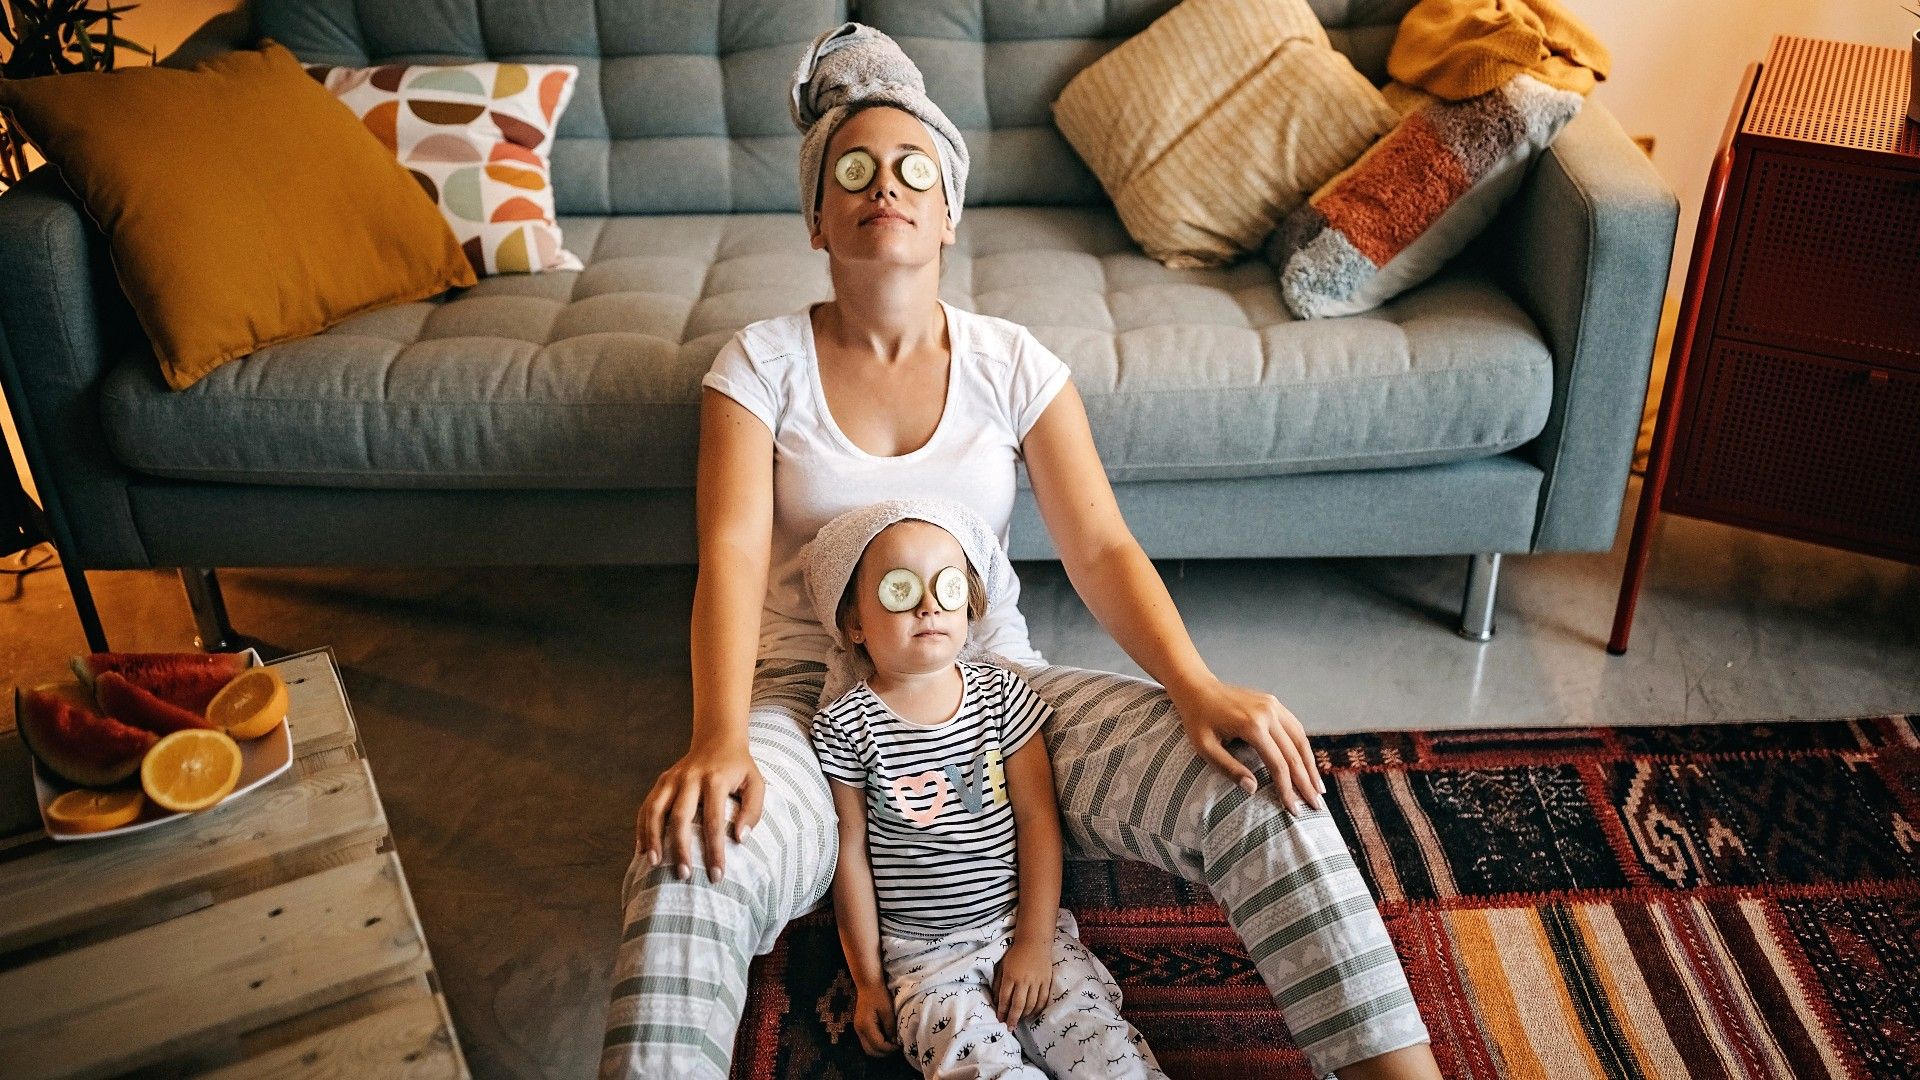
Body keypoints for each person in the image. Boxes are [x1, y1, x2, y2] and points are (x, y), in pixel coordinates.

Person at [602, 22, 1442, 1080]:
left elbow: (1099, 545)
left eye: (914, 168)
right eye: (852, 170)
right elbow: (726, 556)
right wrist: (720, 736)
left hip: (998, 700)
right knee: (686, 863)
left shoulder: (1014, 363)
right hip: (806, 710)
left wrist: (1193, 685)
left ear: (948, 209)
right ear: (817, 216)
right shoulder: (757, 366)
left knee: (1253, 779)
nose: (886, 186)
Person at [804, 499, 1166, 1078]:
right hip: (923, 962)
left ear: (969, 606)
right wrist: (868, 980)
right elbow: (852, 856)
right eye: (900, 591)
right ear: (854, 622)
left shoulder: (1001, 695)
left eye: (947, 588)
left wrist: (1033, 942)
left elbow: (1037, 821)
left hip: (1017, 926)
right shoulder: (845, 726)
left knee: (1107, 1052)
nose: (928, 606)